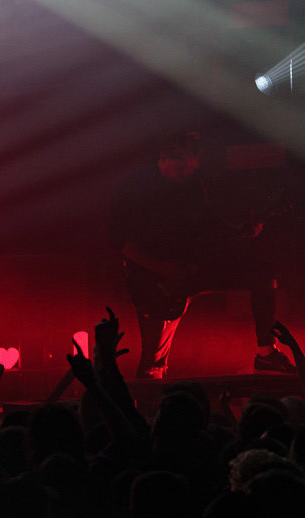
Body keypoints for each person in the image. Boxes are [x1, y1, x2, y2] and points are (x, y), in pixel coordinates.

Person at [107, 128, 292, 378]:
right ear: (164, 156)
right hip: (154, 282)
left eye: (191, 163)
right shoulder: (135, 188)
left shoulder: (195, 186)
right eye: (181, 162)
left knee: (262, 274)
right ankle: (145, 410)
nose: (187, 169)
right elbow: (122, 242)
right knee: (153, 362)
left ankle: (266, 352)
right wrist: (161, 268)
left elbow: (208, 231)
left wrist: (242, 230)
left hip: (191, 272)